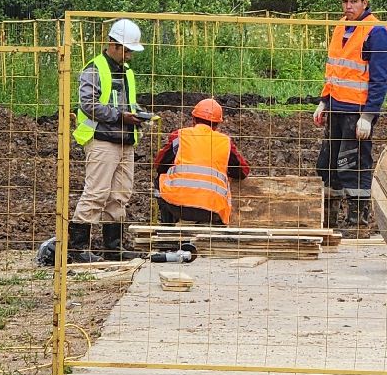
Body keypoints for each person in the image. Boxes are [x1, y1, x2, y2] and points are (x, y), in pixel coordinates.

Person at [313, 0, 387, 233]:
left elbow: (379, 79)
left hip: (356, 112)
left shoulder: (377, 32)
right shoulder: (340, 27)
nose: (348, 6)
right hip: (336, 107)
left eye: (354, 1)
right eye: (345, 1)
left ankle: (358, 223)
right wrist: (324, 101)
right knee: (328, 164)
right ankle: (329, 220)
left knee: (354, 165)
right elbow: (334, 70)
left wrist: (368, 116)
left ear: (365, 2)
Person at [70, 17, 151, 262]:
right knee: (96, 193)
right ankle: (77, 249)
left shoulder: (126, 73)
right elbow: (88, 104)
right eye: (127, 50)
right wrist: (120, 116)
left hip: (124, 140)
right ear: (113, 45)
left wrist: (138, 114)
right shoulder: (94, 69)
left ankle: (113, 248)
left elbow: (127, 103)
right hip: (102, 139)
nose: (129, 56)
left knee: (119, 195)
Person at [153, 97, 251, 227]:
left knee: (160, 178)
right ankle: (210, 226)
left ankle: (168, 230)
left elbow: (159, 165)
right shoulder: (224, 142)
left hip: (178, 207)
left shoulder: (180, 136)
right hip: (213, 210)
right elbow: (242, 172)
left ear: (193, 119)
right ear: (217, 125)